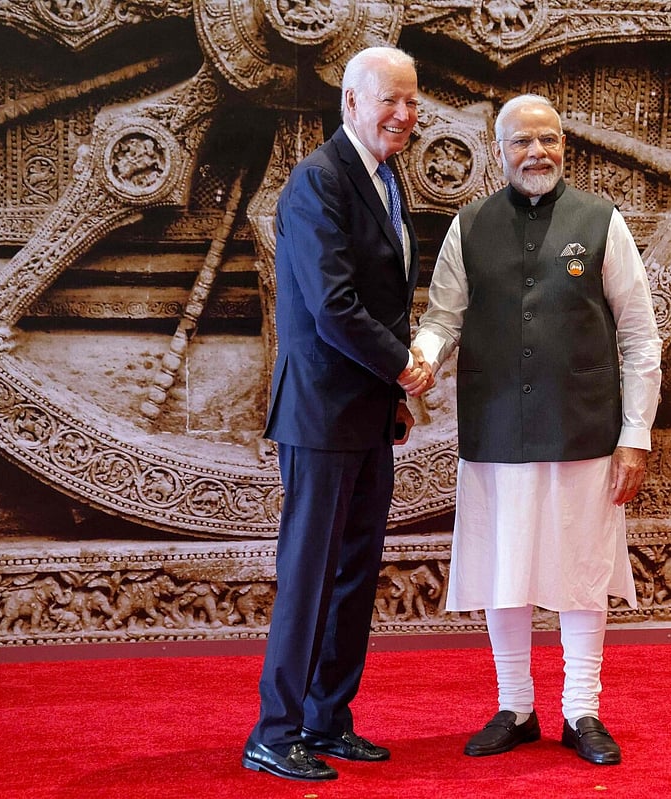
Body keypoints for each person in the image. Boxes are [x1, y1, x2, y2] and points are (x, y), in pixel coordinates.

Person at [412, 93, 662, 766]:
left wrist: (635, 433)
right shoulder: (467, 228)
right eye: (522, 142)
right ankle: (516, 705)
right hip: (494, 431)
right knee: (505, 569)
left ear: (563, 146)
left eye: (548, 139)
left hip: (583, 430)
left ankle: (583, 709)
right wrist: (424, 358)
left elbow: (640, 338)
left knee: (582, 571)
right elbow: (442, 318)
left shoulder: (601, 222)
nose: (537, 152)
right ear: (499, 152)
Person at [243, 45, 433, 782]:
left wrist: (390, 397)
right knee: (310, 572)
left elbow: (377, 296)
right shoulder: (318, 181)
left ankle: (328, 718)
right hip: (321, 414)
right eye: (390, 99)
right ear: (350, 102)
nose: (404, 114)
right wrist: (401, 365)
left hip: (366, 412)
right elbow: (333, 308)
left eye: (413, 101)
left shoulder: (384, 178)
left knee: (354, 571)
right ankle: (274, 729)